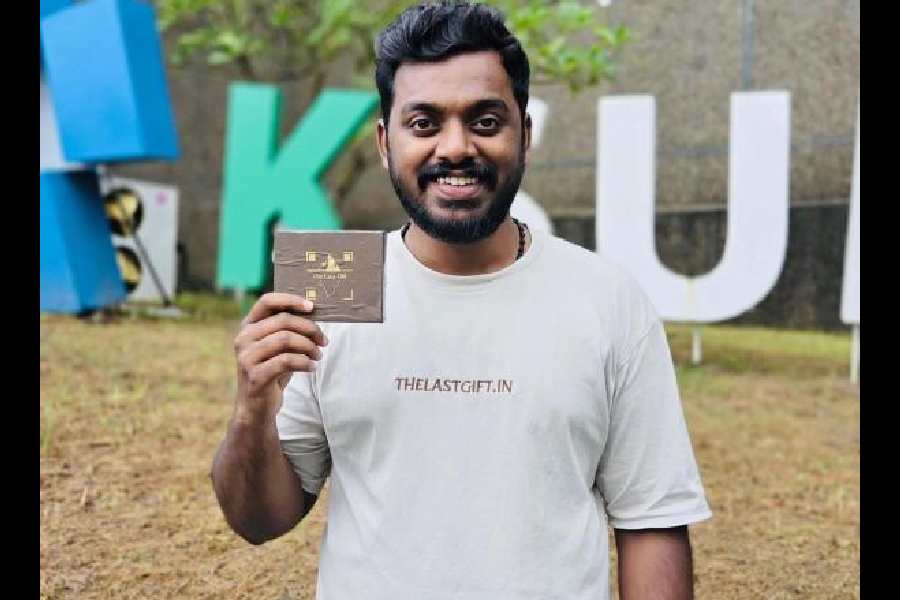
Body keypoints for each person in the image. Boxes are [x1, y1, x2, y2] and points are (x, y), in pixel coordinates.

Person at [211, 2, 712, 598]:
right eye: (424, 123)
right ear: (383, 141)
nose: (455, 147)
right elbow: (261, 520)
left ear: (524, 135)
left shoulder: (606, 299)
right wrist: (251, 412)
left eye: (485, 121)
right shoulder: (332, 293)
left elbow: (651, 522)